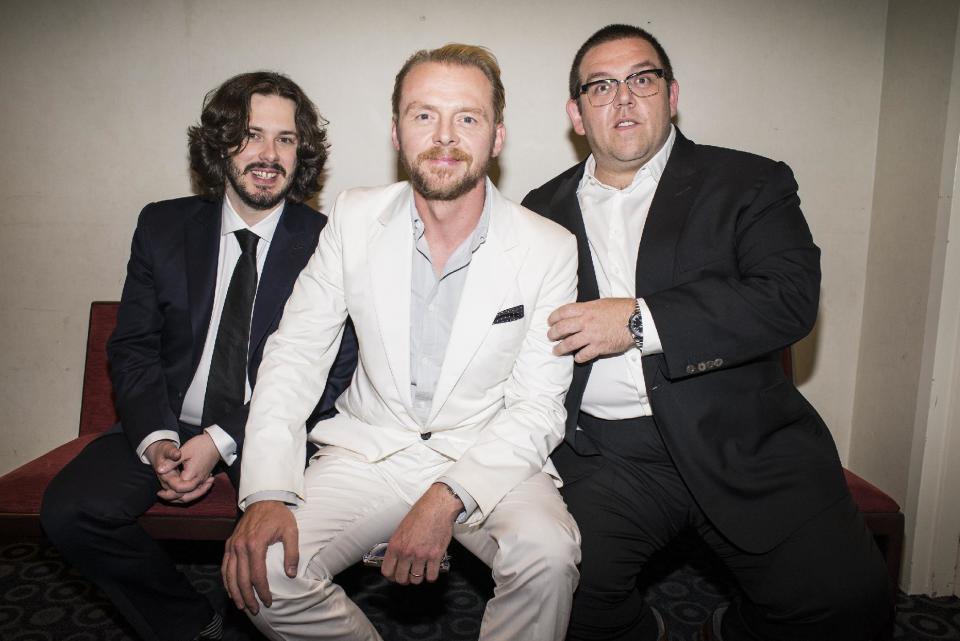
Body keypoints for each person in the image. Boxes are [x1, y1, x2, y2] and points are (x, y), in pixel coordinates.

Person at [522, 24, 892, 641]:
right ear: (577, 113)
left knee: (848, 605)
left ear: (672, 94)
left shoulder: (749, 183)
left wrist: (639, 321)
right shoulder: (539, 210)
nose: (623, 99)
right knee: (558, 592)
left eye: (642, 79)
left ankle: (726, 628)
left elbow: (789, 299)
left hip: (742, 437)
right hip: (605, 455)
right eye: (601, 86)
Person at [222, 44, 581, 641]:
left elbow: (538, 407)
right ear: (396, 132)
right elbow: (296, 352)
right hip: (370, 450)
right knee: (263, 572)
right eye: (423, 116)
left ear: (497, 138)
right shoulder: (355, 217)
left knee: (547, 556)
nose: (444, 136)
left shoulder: (548, 246)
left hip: (486, 454)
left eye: (467, 117)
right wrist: (264, 491)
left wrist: (445, 498)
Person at [40, 71, 357, 641]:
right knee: (71, 510)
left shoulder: (330, 241)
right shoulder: (162, 225)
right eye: (250, 135)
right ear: (219, 144)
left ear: (302, 152)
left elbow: (334, 371)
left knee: (279, 552)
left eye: (285, 139)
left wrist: (220, 441)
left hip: (273, 426)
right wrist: (157, 437)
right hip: (166, 416)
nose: (268, 154)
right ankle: (193, 626)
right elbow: (133, 345)